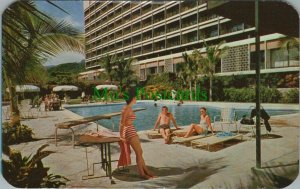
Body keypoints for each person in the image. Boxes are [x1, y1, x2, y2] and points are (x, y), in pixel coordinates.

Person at [119, 87, 156, 179]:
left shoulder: (129, 108)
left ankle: (145, 171)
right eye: (135, 98)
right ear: (132, 98)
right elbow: (121, 123)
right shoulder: (126, 109)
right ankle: (143, 174)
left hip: (131, 130)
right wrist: (121, 135)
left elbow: (127, 122)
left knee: (140, 152)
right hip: (128, 131)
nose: (136, 99)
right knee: (139, 152)